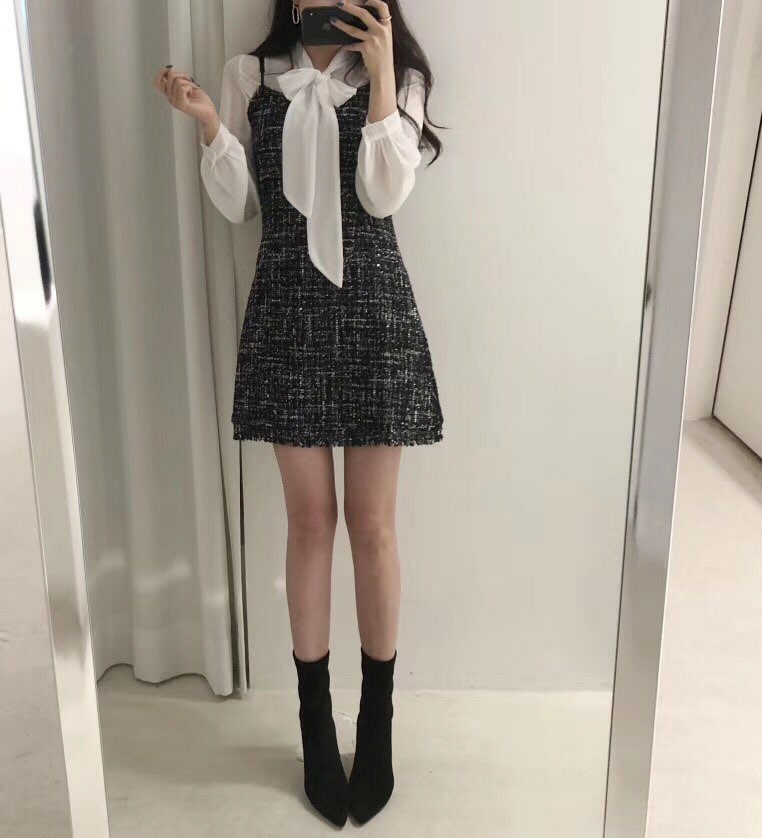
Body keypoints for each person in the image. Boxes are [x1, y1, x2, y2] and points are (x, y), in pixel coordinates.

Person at [155, 0, 444, 826]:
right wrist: (211, 125)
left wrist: (380, 77)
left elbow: (384, 196)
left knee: (373, 527)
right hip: (286, 308)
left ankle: (377, 724)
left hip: (375, 310)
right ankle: (315, 724)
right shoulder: (250, 74)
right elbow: (242, 207)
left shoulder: (401, 75)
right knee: (311, 522)